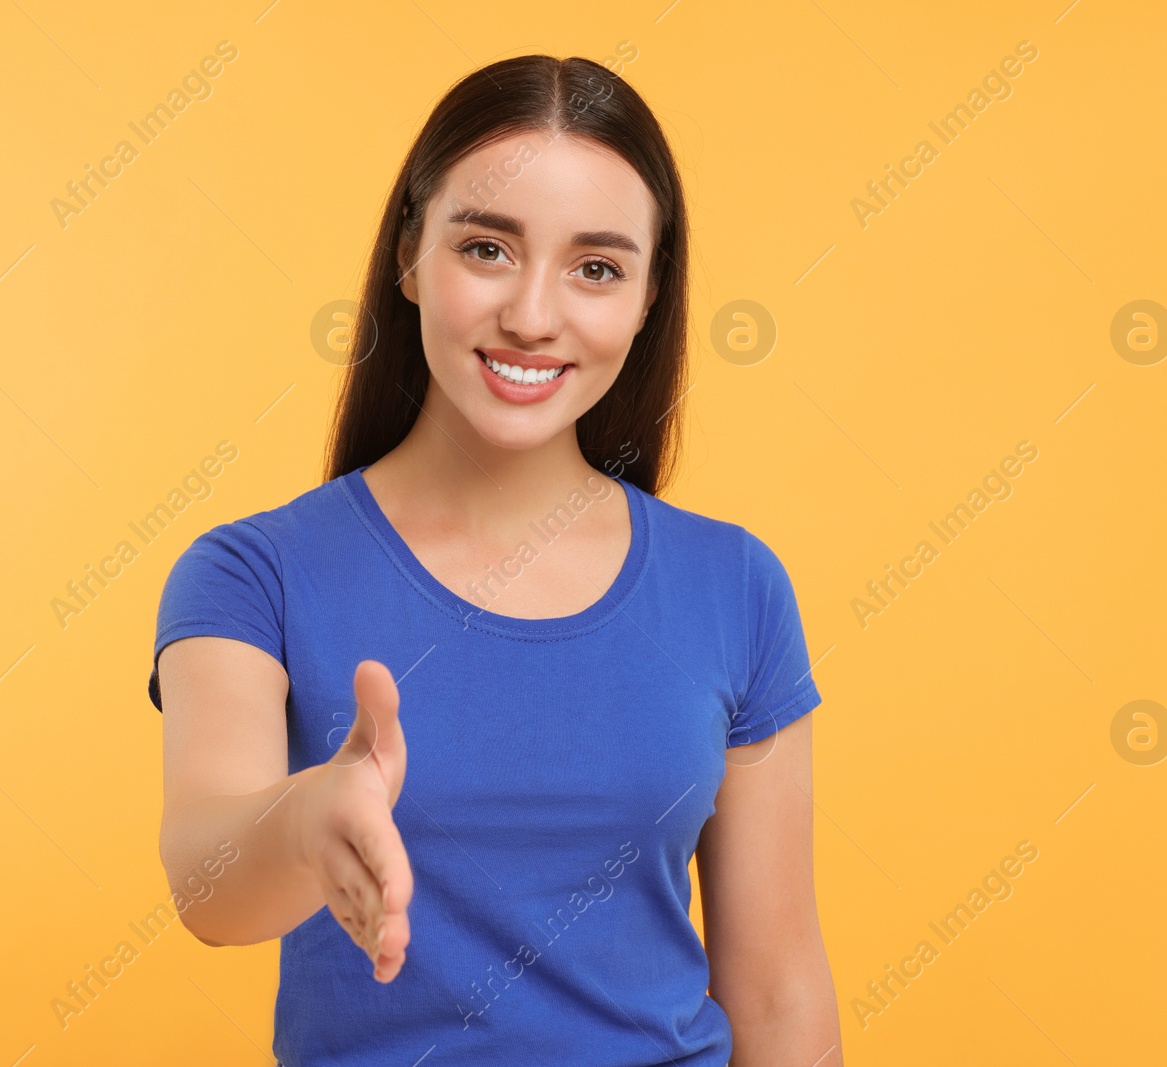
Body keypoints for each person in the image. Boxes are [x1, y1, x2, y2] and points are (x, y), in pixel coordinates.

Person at [149, 53, 841, 1066]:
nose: (531, 314)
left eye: (596, 267)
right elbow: (206, 885)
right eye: (485, 249)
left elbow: (778, 991)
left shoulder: (734, 585)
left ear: (649, 297)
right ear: (408, 254)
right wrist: (309, 817)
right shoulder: (253, 573)